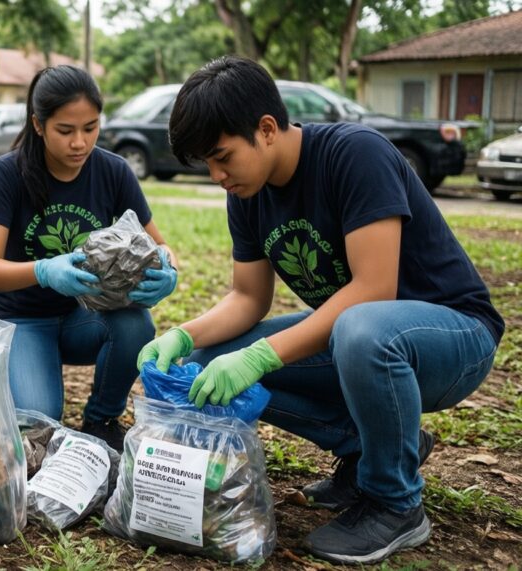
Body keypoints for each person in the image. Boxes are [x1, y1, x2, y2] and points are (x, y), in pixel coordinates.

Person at [138, 56, 503, 564]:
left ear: (266, 129)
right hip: (362, 340)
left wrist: (261, 357)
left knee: (358, 328)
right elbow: (248, 297)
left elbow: (374, 289)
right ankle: (373, 448)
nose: (217, 175)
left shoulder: (354, 155)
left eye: (222, 157)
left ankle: (396, 504)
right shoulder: (248, 192)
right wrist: (183, 336)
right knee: (207, 361)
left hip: (453, 337)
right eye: (207, 164)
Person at [0, 65, 178, 452]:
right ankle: (7, 373)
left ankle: (101, 418)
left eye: (91, 127)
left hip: (85, 315)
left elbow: (159, 244)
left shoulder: (113, 171)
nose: (80, 142)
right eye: (65, 131)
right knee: (41, 421)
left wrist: (167, 269)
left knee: (135, 324)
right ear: (38, 124)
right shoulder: (6, 174)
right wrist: (44, 270)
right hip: (20, 318)